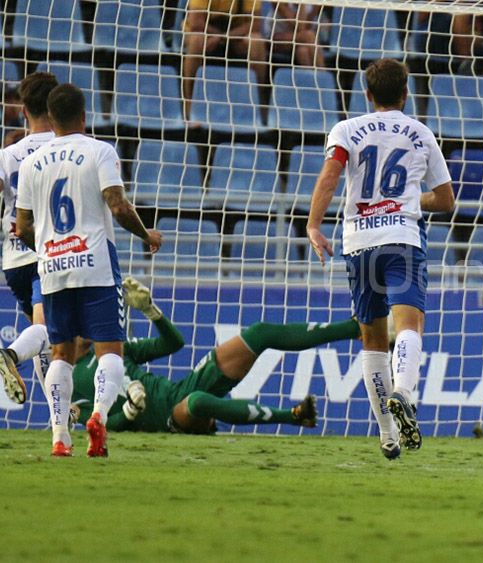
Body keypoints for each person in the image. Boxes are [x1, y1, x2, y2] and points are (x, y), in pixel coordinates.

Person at [307, 59, 455, 460]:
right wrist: (409, 199)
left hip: (358, 243)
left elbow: (331, 175)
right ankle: (404, 393)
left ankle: (388, 435)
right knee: (410, 324)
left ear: (367, 94)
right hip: (402, 239)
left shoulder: (346, 130)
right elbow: (446, 199)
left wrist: (313, 225)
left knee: (371, 339)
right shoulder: (421, 133)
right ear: (406, 94)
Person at [14, 83, 163, 458]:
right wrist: (146, 234)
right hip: (95, 264)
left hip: (53, 267)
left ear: (50, 118)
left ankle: (60, 436)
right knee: (109, 349)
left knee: (61, 352)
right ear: (84, 115)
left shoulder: (32, 163)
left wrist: (49, 250)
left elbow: (23, 226)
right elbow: (117, 206)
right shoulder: (100, 151)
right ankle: (98, 416)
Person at [62, 277, 359, 435]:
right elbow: (100, 425)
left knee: (259, 333)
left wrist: (152, 312)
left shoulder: (115, 349)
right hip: (168, 417)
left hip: (180, 389)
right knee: (199, 403)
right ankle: (294, 417)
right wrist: (130, 410)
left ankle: (356, 327)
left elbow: (173, 344)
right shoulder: (70, 380)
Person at [0, 72, 58, 407]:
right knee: (52, 336)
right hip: (49, 255)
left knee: (45, 337)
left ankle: (58, 415)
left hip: (14, 261)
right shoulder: (63, 149)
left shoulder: (9, 154)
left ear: (24, 111)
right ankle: (9, 355)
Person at [181, 0, 267, 118]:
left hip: (234, 34)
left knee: (256, 41)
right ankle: (189, 103)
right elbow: (196, 23)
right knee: (197, 39)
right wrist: (219, 37)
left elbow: (255, 24)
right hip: (206, 32)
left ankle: (259, 103)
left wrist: (225, 37)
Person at [270, 2, 325, 68]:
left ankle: (315, 78)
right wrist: (302, 3)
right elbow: (300, 26)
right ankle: (324, 73)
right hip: (275, 39)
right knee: (309, 36)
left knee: (302, 51)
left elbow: (307, 26)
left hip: (299, 40)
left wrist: (315, 9)